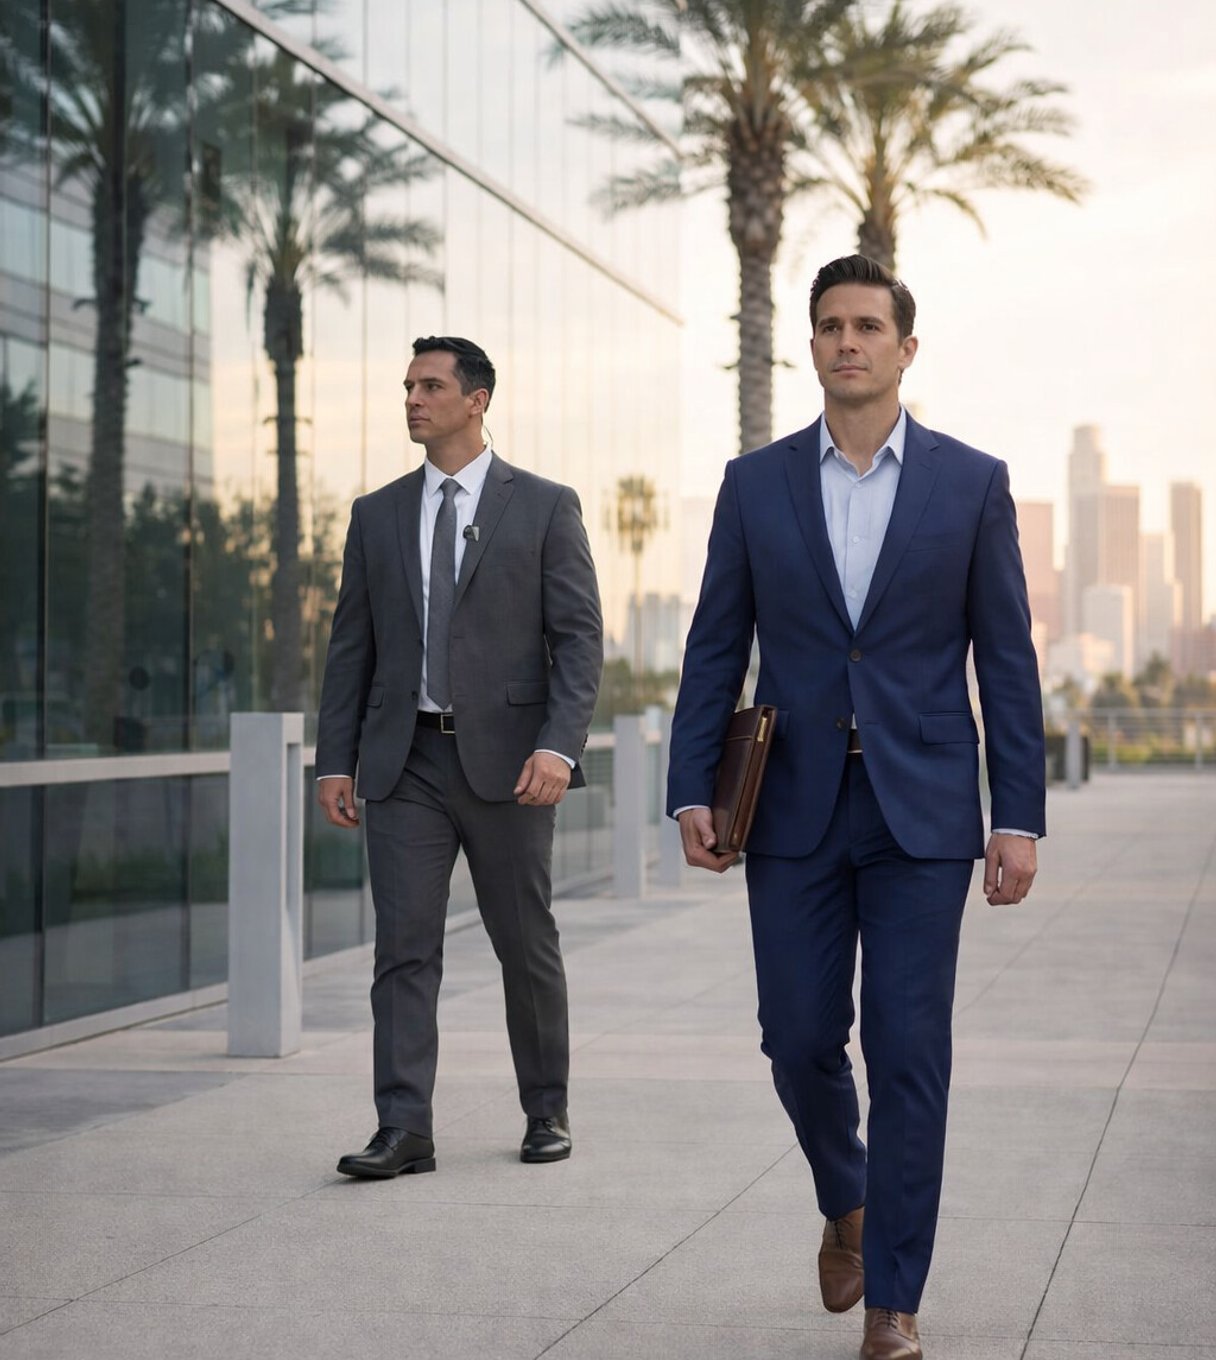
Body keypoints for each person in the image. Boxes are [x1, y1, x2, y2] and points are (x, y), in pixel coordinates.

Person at [667, 256, 1045, 1360]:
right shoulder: (756, 484)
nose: (848, 341)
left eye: (868, 325)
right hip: (788, 807)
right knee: (795, 1034)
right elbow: (713, 648)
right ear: (813, 344)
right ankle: (849, 1199)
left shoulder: (969, 484)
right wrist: (693, 783)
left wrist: (1013, 812)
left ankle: (894, 1300)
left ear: (904, 348)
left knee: (908, 1047)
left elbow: (1007, 661)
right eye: (829, 325)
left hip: (922, 813)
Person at [316, 335, 603, 1176]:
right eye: (408, 386)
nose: (413, 399)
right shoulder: (376, 515)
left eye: (431, 386)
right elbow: (351, 649)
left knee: (525, 942)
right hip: (403, 764)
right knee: (402, 947)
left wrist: (559, 745)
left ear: (477, 400)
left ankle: (545, 1110)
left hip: (512, 769)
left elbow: (579, 640)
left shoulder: (545, 506)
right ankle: (404, 1128)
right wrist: (337, 760)